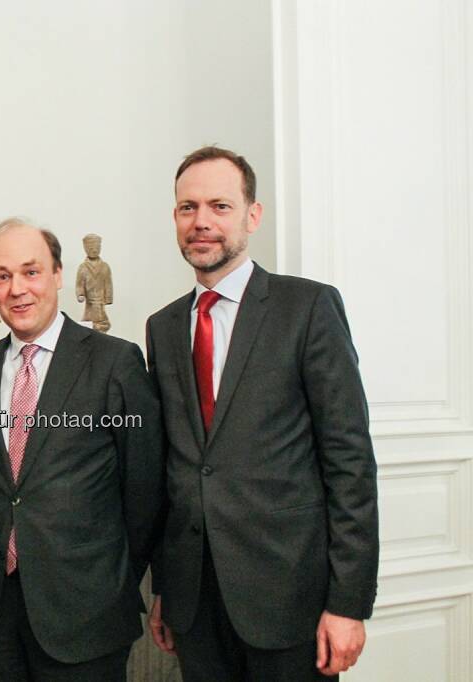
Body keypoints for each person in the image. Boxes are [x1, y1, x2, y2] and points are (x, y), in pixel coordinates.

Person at [146, 146, 379, 681]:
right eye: (187, 208)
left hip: (290, 602)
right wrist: (166, 588)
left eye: (219, 206)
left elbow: (349, 461)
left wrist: (348, 603)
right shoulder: (161, 328)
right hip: (196, 606)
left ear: (253, 215)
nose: (201, 221)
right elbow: (175, 468)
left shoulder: (308, 308)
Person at [0, 217, 164, 682]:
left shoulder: (115, 361)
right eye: (2, 275)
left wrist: (111, 581)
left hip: (86, 611)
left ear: (57, 274)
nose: (17, 289)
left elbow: (145, 489)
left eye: (31, 272)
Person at [75, 233, 113, 332]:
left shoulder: (105, 266)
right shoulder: (83, 267)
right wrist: (80, 294)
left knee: (103, 322)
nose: (94, 250)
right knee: (88, 322)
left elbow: (108, 283)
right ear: (86, 248)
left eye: (96, 247)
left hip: (100, 301)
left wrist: (108, 298)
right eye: (91, 248)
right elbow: (79, 284)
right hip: (90, 303)